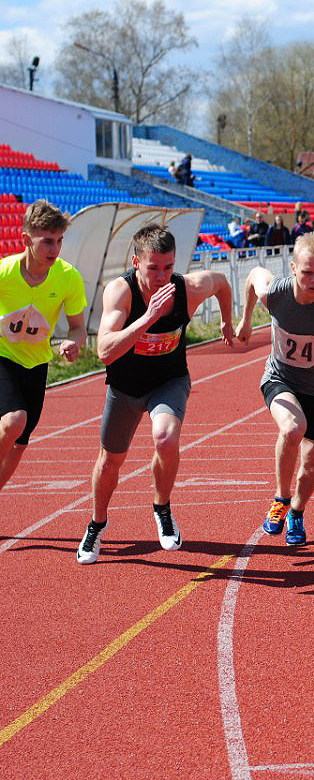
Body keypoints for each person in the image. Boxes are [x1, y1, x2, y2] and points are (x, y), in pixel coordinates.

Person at [77, 225, 235, 564]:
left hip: (169, 381)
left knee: (165, 438)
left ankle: (162, 507)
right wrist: (147, 319)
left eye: (168, 266)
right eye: (153, 268)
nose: (162, 276)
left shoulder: (187, 289)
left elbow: (221, 282)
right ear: (136, 262)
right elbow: (104, 351)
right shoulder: (120, 293)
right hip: (125, 387)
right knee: (110, 461)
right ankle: (97, 523)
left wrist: (226, 321)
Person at [236, 233, 314, 546]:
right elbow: (254, 275)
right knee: (293, 429)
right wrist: (245, 320)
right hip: (279, 379)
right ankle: (281, 498)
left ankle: (297, 509)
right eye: (308, 272)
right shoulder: (277, 293)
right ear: (294, 268)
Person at [0, 200, 86, 492]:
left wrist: (73, 344)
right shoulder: (4, 273)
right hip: (3, 357)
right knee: (14, 421)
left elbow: (77, 327)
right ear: (26, 240)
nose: (55, 248)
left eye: (59, 240)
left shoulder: (68, 277)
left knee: (19, 445)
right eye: (47, 241)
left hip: (37, 364)